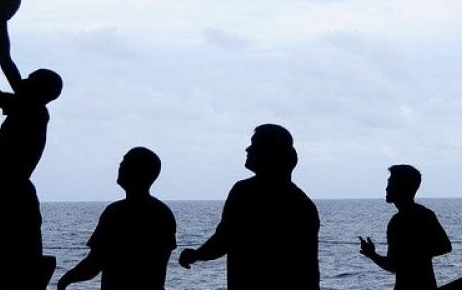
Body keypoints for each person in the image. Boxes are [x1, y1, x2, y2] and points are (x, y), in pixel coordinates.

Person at [0, 18, 62, 289]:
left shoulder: (33, 112)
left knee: (15, 280)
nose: (24, 80)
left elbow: (2, 58)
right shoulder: (23, 107)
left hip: (16, 206)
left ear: (40, 90)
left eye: (31, 78)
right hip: (12, 204)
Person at [178, 124, 321, 289]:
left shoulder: (244, 192)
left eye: (254, 144)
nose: (248, 149)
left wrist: (197, 255)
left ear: (269, 152)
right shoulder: (303, 204)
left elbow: (224, 239)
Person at [57, 147, 177, 290]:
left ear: (140, 172)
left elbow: (94, 263)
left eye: (126, 163)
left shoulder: (115, 213)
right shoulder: (163, 214)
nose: (120, 166)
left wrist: (65, 280)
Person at [359, 164, 452, 290]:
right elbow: (445, 246)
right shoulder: (426, 214)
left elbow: (392, 266)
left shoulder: (397, 222)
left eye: (391, 183)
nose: (387, 189)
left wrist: (371, 254)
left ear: (402, 187)